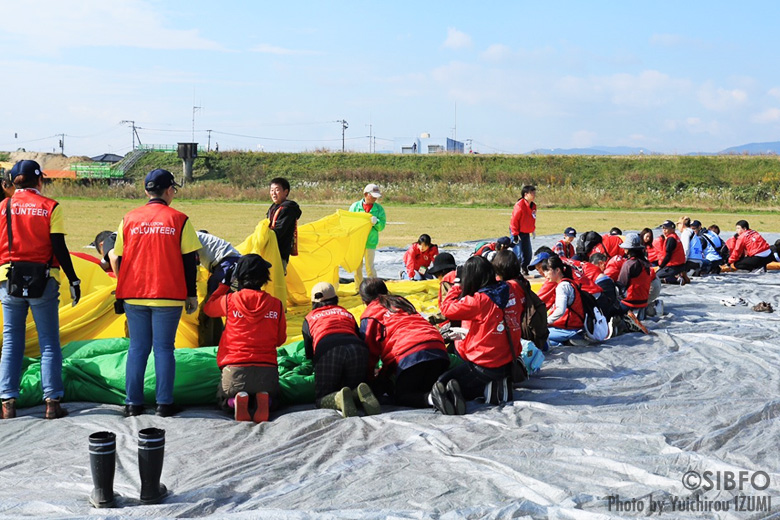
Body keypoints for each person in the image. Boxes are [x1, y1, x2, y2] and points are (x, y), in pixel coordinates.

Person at [114, 168, 201, 417]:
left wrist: (120, 293)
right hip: (168, 294)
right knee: (164, 349)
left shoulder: (128, 219)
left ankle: (133, 404)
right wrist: (191, 294)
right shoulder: (180, 219)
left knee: (137, 349)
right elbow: (189, 262)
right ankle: (164, 404)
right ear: (170, 190)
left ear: (146, 191)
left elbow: (117, 257)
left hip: (133, 293)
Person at [0, 160, 81, 420]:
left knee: (12, 342)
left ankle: (7, 402)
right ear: (40, 181)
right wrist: (73, 279)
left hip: (7, 279)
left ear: (13, 182)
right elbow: (58, 246)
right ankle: (52, 403)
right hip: (44, 280)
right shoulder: (51, 207)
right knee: (49, 343)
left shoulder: (3, 207)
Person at [203, 254, 285, 422]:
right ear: (265, 277)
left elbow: (208, 309)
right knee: (277, 400)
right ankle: (266, 401)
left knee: (222, 400)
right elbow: (280, 340)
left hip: (234, 371)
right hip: (266, 373)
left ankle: (234, 402)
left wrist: (223, 286)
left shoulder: (230, 301)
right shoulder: (276, 304)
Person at [437, 256, 518, 411]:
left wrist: (457, 285)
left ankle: (489, 390)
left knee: (442, 383)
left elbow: (446, 308)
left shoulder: (479, 300)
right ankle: (498, 383)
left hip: (485, 363)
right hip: (508, 358)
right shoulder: (509, 289)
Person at [359, 278, 451, 411]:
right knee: (426, 386)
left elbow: (369, 353)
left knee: (403, 396)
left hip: (411, 353)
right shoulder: (400, 301)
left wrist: (370, 380)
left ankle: (432, 399)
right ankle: (449, 392)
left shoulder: (370, 315)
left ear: (363, 300)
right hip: (437, 346)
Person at [302, 282, 379, 418]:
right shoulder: (345, 312)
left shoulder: (309, 318)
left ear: (313, 302)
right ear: (336, 298)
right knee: (352, 385)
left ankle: (337, 398)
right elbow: (358, 334)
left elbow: (309, 352)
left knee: (321, 398)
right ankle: (357, 393)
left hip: (329, 348)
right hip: (357, 348)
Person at [196, 230, 241, 347]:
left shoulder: (189, 239)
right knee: (225, 308)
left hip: (226, 268)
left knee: (208, 309)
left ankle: (209, 347)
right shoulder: (207, 241)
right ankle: (223, 342)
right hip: (233, 265)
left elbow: (192, 269)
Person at [540, 255, 586, 347]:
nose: (545, 274)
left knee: (538, 334)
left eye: (547, 270)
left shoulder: (562, 286)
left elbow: (560, 310)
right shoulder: (568, 283)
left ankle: (568, 341)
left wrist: (545, 322)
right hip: (575, 327)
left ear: (557, 270)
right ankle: (563, 343)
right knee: (551, 342)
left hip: (571, 329)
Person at [349, 183, 386, 288]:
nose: (375, 198)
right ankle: (358, 288)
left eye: (376, 196)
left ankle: (375, 289)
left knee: (370, 267)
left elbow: (381, 227)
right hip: (357, 242)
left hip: (370, 242)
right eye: (373, 196)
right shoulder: (354, 207)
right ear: (366, 194)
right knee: (357, 267)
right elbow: (349, 224)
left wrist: (376, 222)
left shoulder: (379, 209)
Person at [615, 233, 653, 329]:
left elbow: (621, 284)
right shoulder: (646, 263)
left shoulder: (629, 264)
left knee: (609, 310)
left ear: (628, 250)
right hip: (643, 302)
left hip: (630, 302)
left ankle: (625, 321)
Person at [267, 177, 302, 274]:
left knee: (277, 279)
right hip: (271, 251)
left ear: (285, 192)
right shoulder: (274, 207)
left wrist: (264, 236)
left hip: (279, 252)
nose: (273, 193)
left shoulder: (287, 209)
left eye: (277, 190)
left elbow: (279, 232)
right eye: (271, 190)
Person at [509, 185, 536, 275]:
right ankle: (514, 271)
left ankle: (524, 268)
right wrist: (515, 234)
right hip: (517, 231)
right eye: (532, 193)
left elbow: (532, 218)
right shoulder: (519, 205)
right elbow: (514, 220)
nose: (534, 195)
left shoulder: (533, 206)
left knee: (528, 253)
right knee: (518, 253)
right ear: (525, 194)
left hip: (526, 232)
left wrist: (532, 229)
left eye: (534, 193)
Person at [655, 220, 689, 285]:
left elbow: (668, 255)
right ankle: (680, 274)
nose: (664, 230)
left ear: (672, 229)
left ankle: (677, 279)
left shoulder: (671, 239)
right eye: (663, 228)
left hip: (673, 266)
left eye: (666, 228)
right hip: (680, 265)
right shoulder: (675, 237)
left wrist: (660, 267)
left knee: (656, 276)